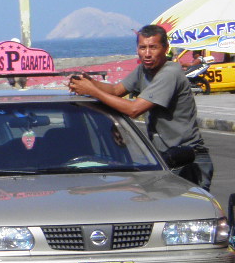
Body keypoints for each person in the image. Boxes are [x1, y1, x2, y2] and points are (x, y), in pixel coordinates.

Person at [67, 24, 212, 189]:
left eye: (153, 47)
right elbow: (116, 90)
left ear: (165, 48)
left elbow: (134, 109)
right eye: (143, 48)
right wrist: (90, 82)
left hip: (188, 158)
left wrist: (92, 91)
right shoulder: (143, 70)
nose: (147, 53)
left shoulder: (169, 73)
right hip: (165, 158)